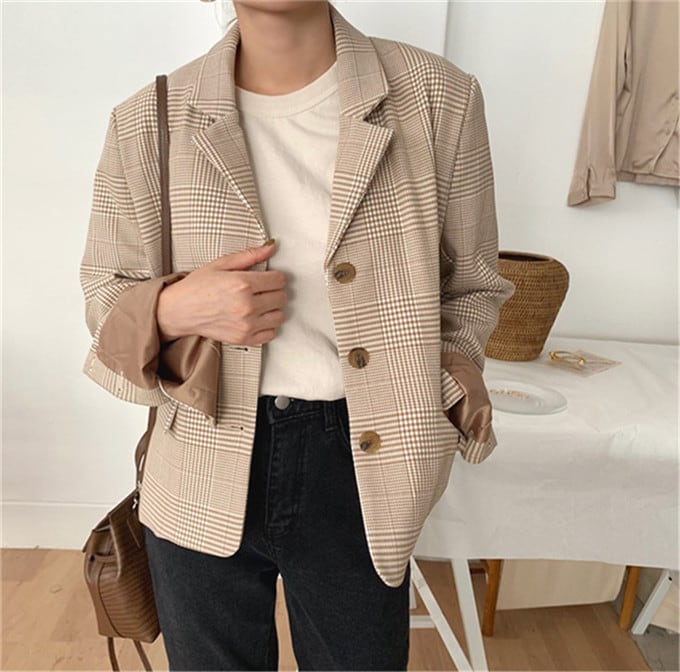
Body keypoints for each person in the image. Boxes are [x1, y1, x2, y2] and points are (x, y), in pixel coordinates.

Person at [79, 1, 515, 670]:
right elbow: (105, 296)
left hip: (362, 460)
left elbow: (474, 286)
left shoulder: (437, 97)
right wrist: (174, 307)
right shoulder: (148, 120)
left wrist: (438, 398)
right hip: (199, 455)